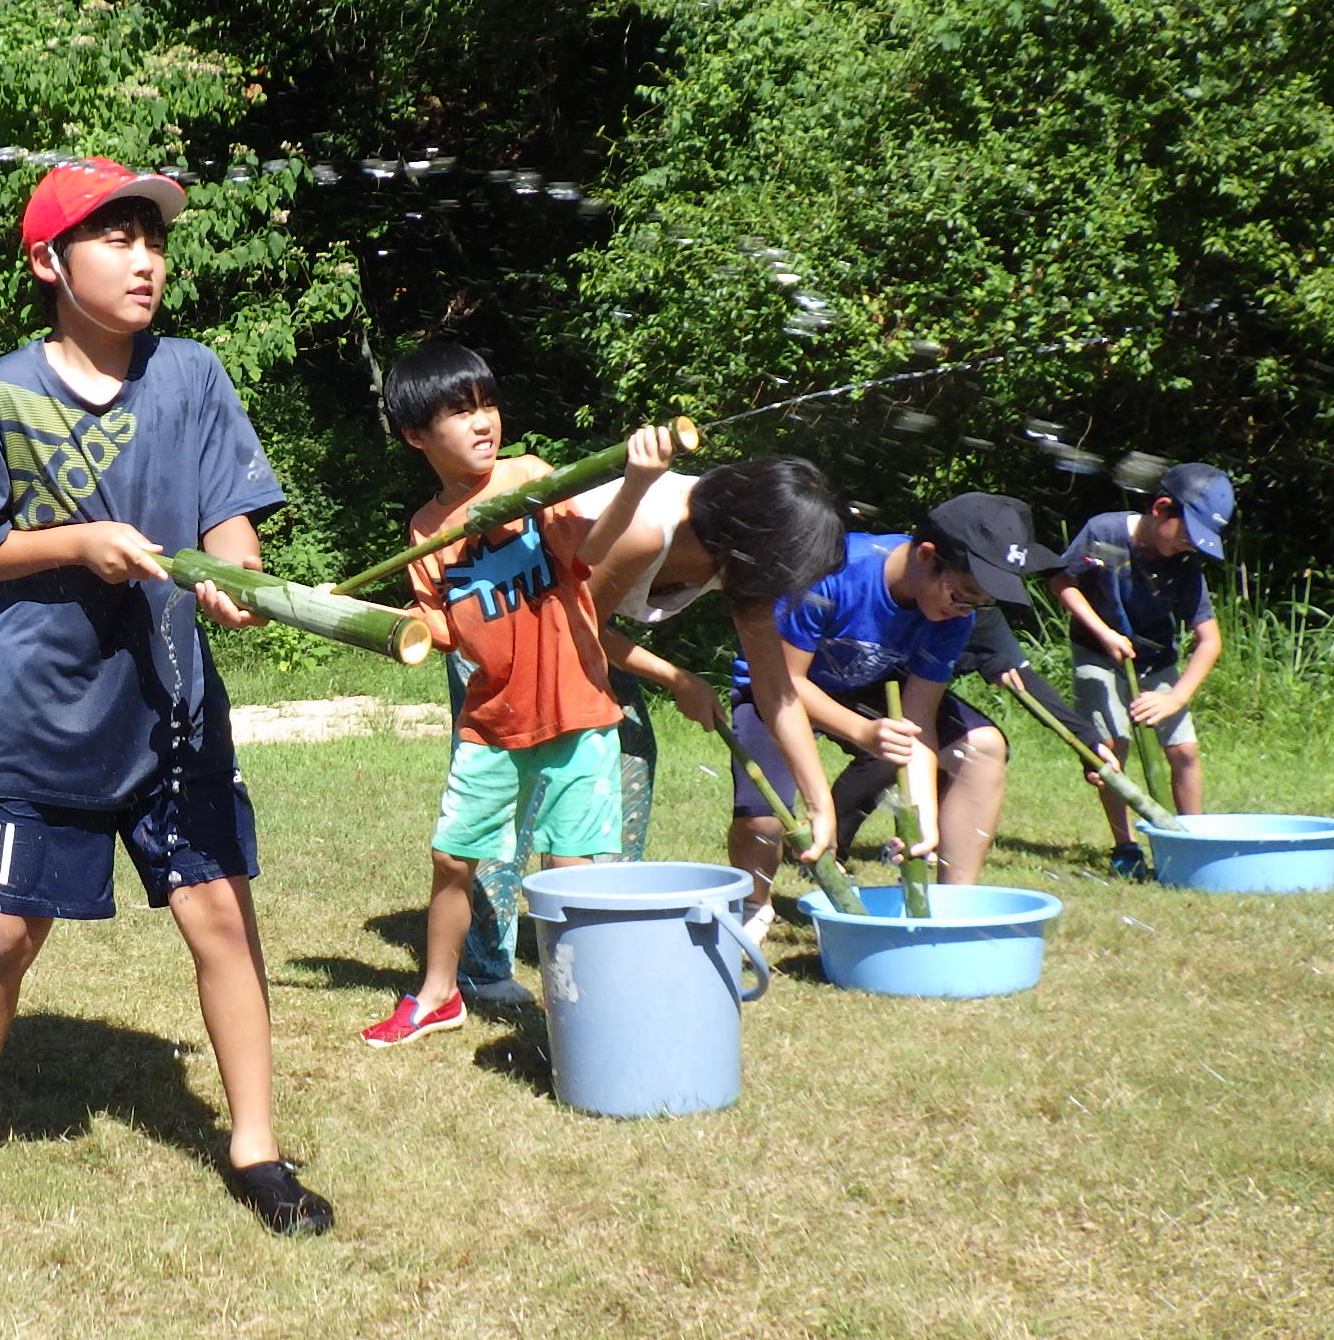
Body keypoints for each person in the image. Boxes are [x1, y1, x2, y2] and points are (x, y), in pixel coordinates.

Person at [0, 157, 331, 1236]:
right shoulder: (1, 392)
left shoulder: (191, 374)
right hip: (47, 711)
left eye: (153, 239)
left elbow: (231, 510)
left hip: (178, 707)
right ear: (51, 261)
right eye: (116, 238)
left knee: (221, 922)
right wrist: (79, 545)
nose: (145, 258)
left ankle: (255, 1147)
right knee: (3, 934)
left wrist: (238, 582)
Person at [454, 452, 851, 1003]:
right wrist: (678, 678)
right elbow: (570, 625)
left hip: (575, 637)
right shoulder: (646, 529)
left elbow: (774, 686)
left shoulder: (740, 554)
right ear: (749, 546)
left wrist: (818, 800)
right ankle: (483, 967)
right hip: (506, 625)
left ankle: (601, 935)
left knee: (627, 768)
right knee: (515, 793)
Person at [365, 341, 674, 1044]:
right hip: (491, 723)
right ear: (416, 435)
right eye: (458, 413)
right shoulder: (424, 530)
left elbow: (590, 550)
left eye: (487, 406)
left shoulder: (529, 478)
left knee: (569, 874)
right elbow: (440, 625)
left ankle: (583, 1010)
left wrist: (637, 482)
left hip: (578, 715)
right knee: (452, 858)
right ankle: (440, 993)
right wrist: (345, 615)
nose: (482, 423)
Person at [723, 494, 1062, 927]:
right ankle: (754, 907)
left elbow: (917, 721)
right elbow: (784, 683)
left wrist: (919, 817)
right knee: (764, 821)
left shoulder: (955, 616)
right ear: (926, 555)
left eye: (980, 604)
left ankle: (951, 909)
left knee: (982, 748)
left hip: (867, 687)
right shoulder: (832, 571)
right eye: (963, 595)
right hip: (778, 687)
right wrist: (863, 732)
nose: (966, 610)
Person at [1049, 463, 1233, 876]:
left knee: (1183, 750)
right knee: (1111, 748)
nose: (1188, 546)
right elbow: (1062, 582)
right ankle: (1126, 847)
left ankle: (1191, 840)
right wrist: (1103, 632)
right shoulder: (1106, 533)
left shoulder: (1185, 564)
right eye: (1186, 534)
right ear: (1161, 508)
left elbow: (1210, 640)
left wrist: (1176, 697)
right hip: (1098, 653)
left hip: (1156, 662)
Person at [824, 606, 1102, 857]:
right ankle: (829, 846)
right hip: (832, 679)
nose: (970, 601)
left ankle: (928, 843)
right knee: (887, 754)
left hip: (907, 689)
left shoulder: (979, 611)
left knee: (972, 746)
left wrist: (1087, 739)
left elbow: (1023, 679)